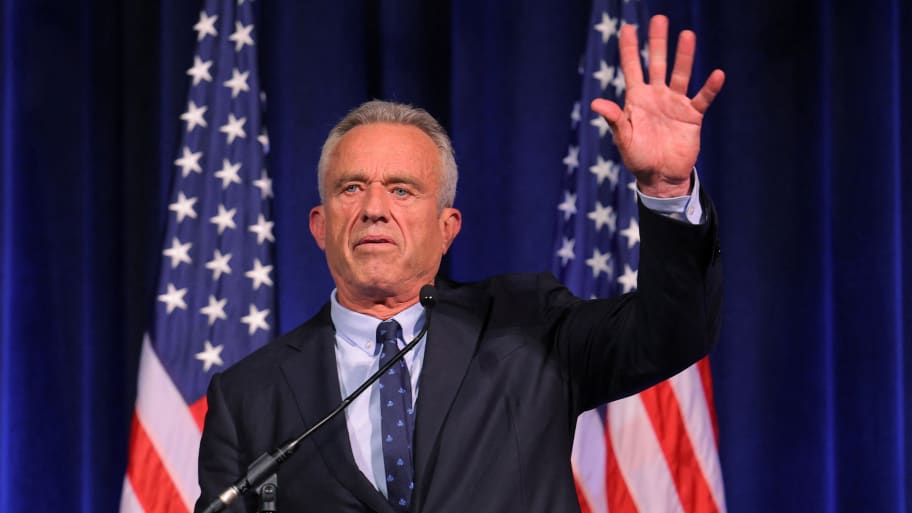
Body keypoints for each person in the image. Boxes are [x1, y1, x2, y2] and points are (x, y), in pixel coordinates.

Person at [195, 14, 725, 513]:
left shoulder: (529, 328)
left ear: (448, 228)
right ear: (320, 226)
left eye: (402, 190)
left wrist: (666, 190)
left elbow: (673, 333)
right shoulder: (248, 397)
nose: (374, 208)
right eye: (351, 187)